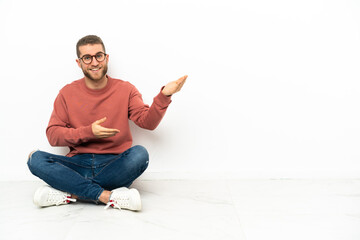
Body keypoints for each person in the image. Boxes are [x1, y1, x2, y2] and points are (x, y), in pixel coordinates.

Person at [27, 35, 187, 211]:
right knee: (35, 158)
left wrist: (164, 96)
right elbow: (53, 136)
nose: (94, 62)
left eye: (98, 56)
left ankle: (71, 193)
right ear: (79, 63)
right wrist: (89, 132)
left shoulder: (126, 89)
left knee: (140, 154)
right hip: (78, 164)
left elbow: (147, 122)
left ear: (106, 58)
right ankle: (107, 196)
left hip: (114, 165)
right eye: (87, 58)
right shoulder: (66, 93)